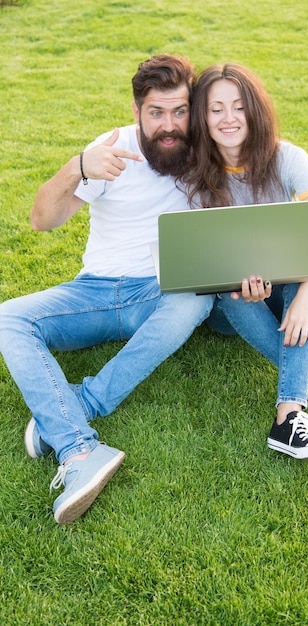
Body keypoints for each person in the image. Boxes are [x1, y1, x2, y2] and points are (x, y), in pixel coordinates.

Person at [0, 54, 215, 524]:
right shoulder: (111, 149)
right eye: (156, 113)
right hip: (95, 292)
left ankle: (80, 417)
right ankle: (81, 448)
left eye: (180, 111)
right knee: (8, 317)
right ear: (136, 109)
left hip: (159, 293)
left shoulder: (206, 150)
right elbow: (42, 220)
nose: (169, 126)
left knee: (196, 295)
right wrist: (78, 165)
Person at [182, 62, 308, 459]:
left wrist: (306, 295)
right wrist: (237, 281)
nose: (228, 118)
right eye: (216, 109)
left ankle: (288, 417)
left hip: (280, 284)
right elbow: (202, 259)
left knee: (305, 278)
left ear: (255, 109)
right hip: (229, 305)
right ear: (203, 116)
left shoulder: (287, 157)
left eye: (238, 106)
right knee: (228, 291)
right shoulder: (196, 174)